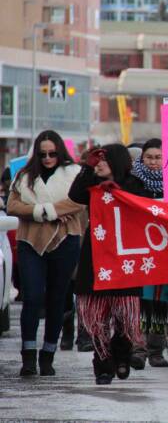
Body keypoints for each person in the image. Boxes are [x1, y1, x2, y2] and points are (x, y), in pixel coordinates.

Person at [68, 145, 151, 385]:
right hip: (96, 256)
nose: (99, 164)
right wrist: (87, 168)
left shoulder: (134, 185)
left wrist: (119, 190)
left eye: (103, 160)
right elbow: (75, 195)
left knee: (125, 316)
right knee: (98, 317)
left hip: (125, 258)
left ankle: (121, 355)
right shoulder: (91, 186)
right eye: (97, 161)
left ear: (116, 162)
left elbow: (145, 203)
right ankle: (103, 365)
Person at [7, 130, 83, 377]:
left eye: (52, 154)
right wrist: (44, 212)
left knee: (57, 299)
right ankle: (28, 355)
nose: (48, 158)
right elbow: (12, 205)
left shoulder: (74, 173)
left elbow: (79, 202)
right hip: (30, 241)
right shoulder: (24, 176)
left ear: (60, 152)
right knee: (32, 297)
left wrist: (50, 210)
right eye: (43, 154)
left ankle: (48, 355)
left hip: (66, 239)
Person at [128, 138, 168, 370]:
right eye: (149, 157)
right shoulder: (132, 182)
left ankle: (156, 350)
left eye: (158, 157)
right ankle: (137, 349)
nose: (153, 162)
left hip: (165, 248)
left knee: (159, 301)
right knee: (138, 301)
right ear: (142, 158)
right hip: (138, 247)